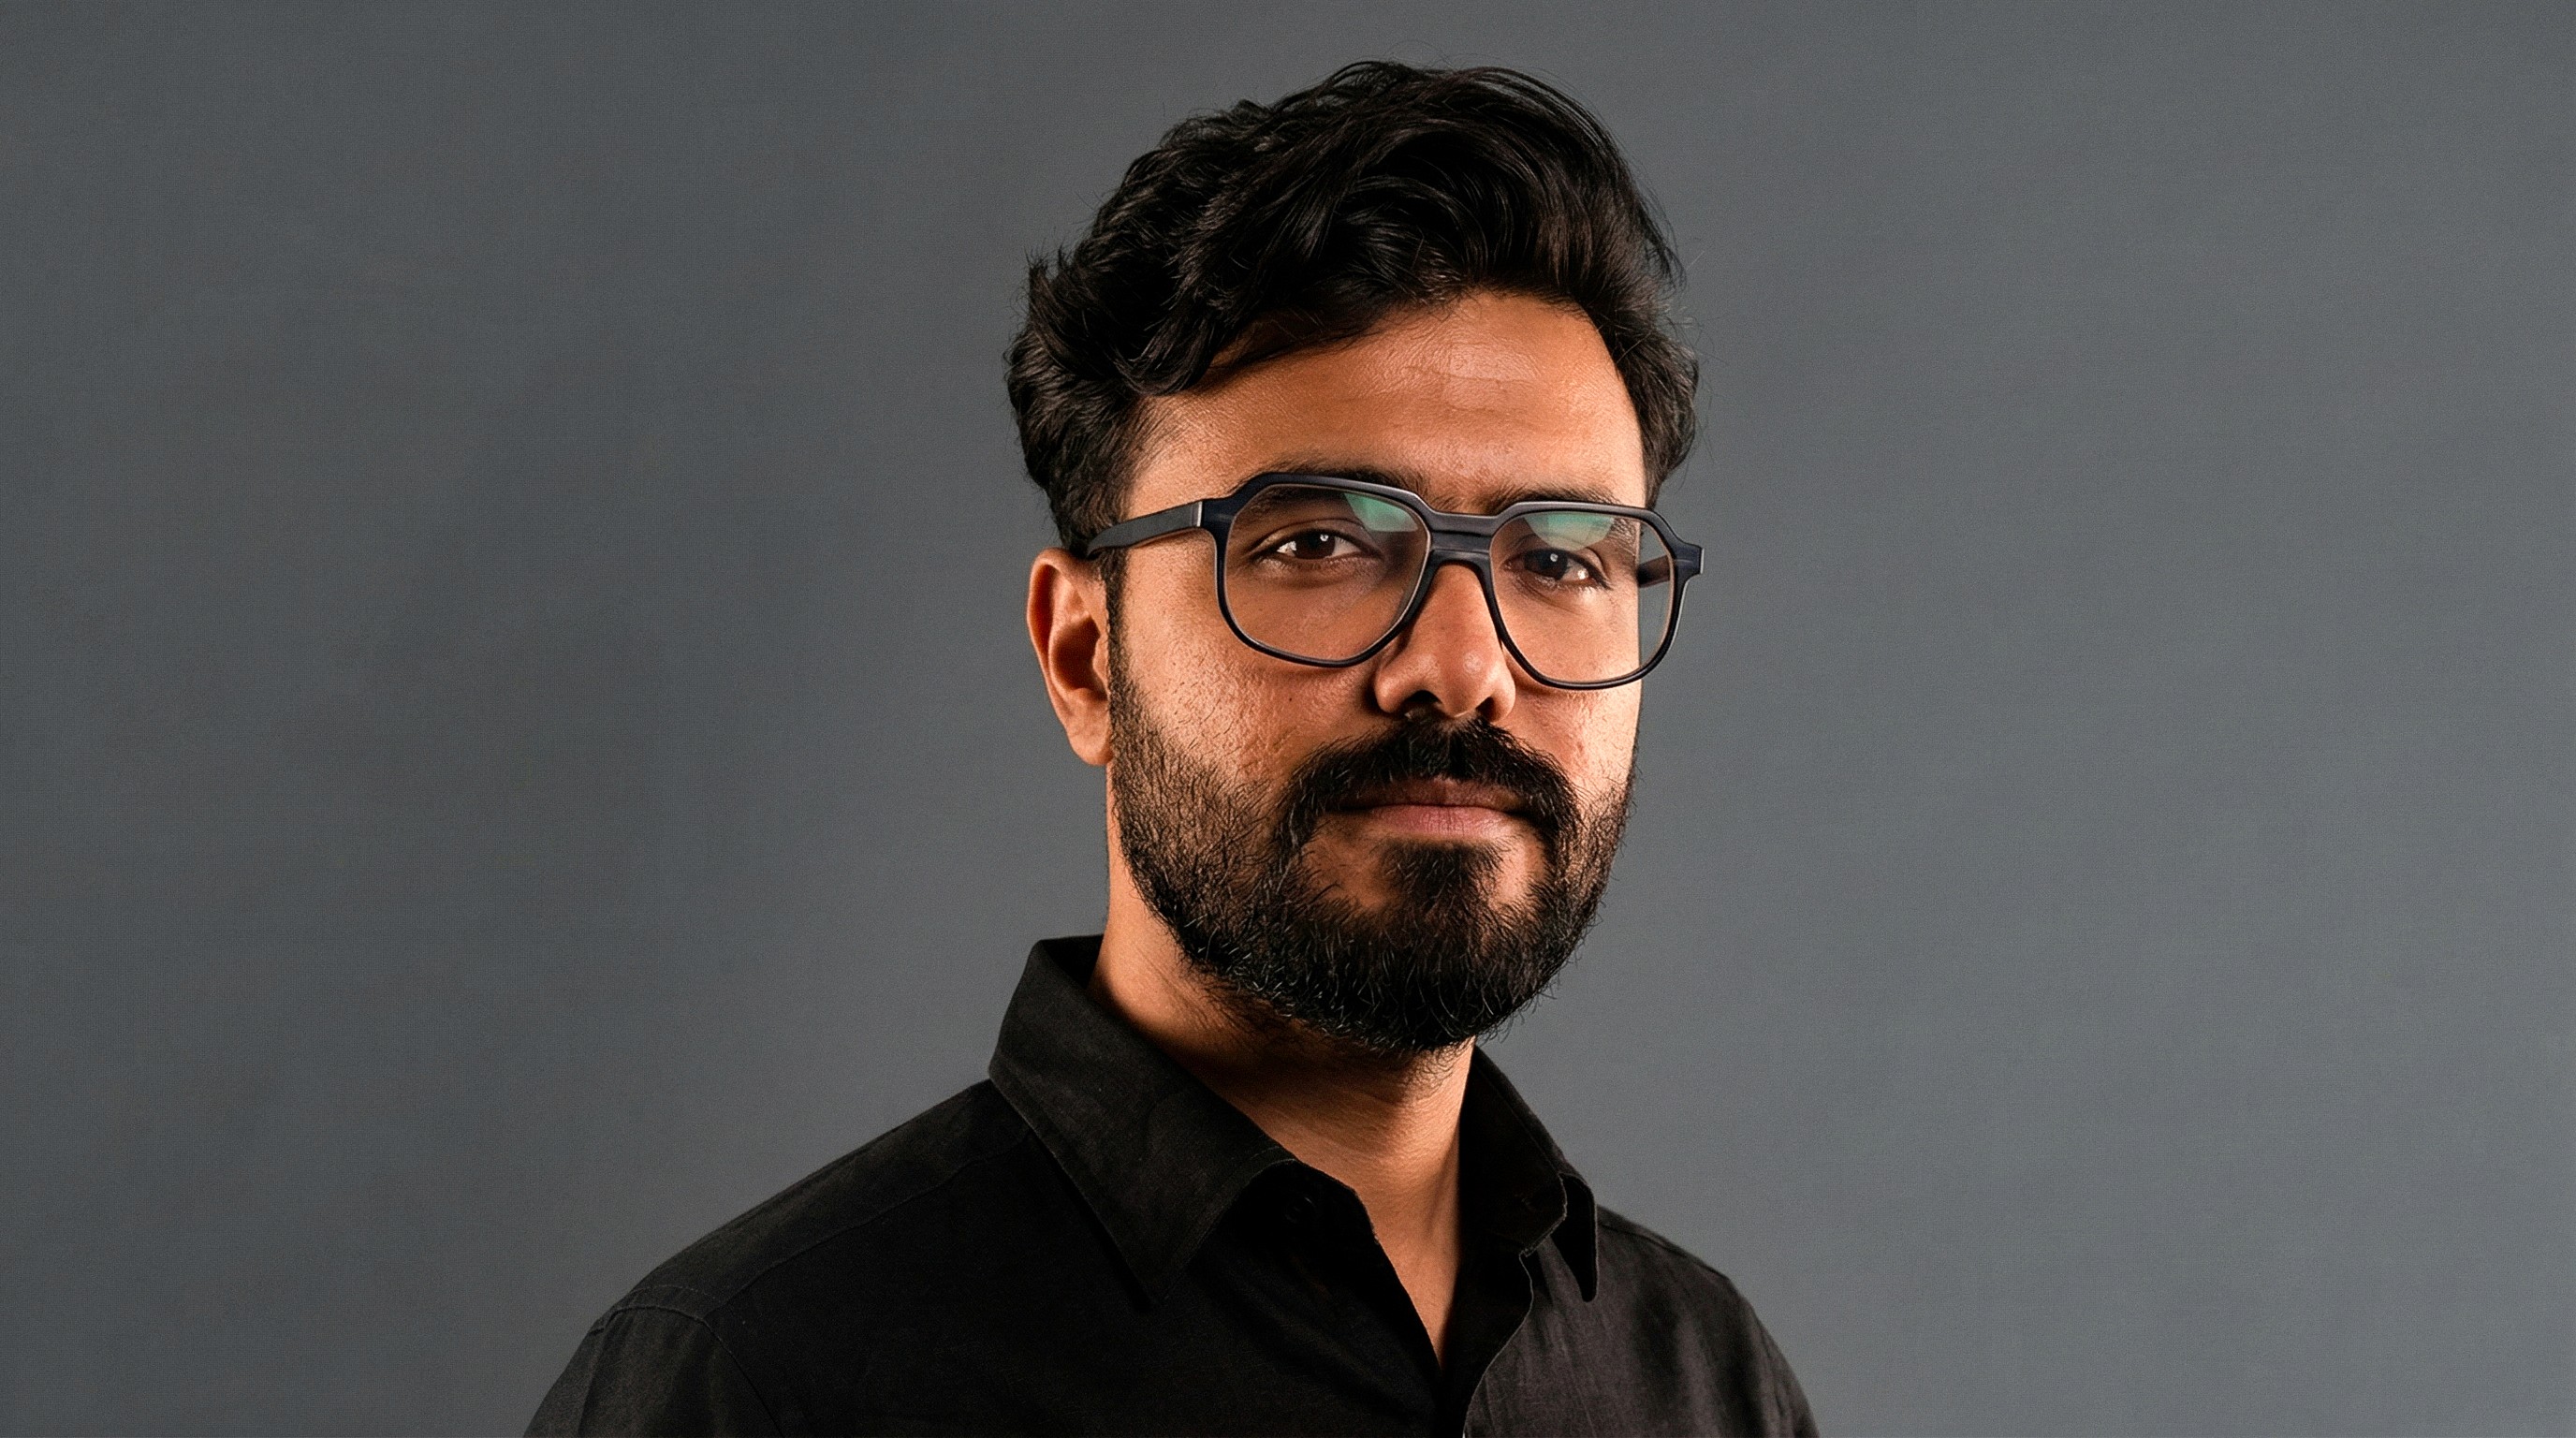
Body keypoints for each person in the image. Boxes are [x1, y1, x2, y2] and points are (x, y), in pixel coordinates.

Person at [531, 61, 1816, 1436]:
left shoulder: (1700, 1383)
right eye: (1317, 545)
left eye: (1561, 557)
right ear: (1086, 656)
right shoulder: (759, 1384)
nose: (1461, 668)